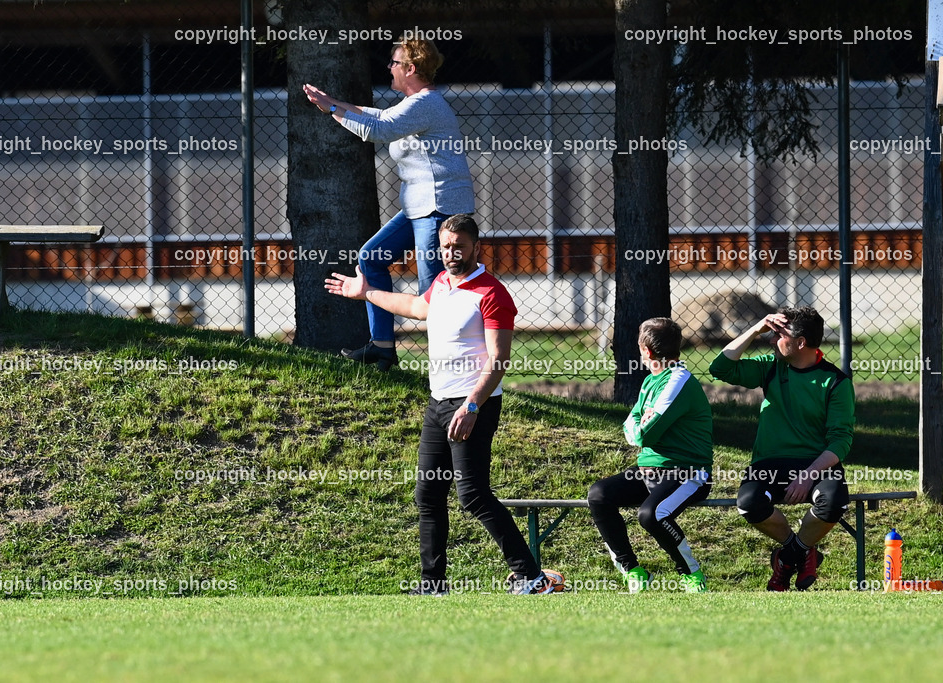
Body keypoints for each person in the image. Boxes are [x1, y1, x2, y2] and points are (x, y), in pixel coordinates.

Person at [324, 214, 562, 595]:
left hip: (472, 407)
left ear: (476, 247)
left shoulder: (491, 293)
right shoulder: (441, 283)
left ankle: (532, 577)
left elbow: (499, 360)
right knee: (428, 494)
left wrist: (471, 406)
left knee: (473, 496)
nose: (451, 253)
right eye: (445, 245)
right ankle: (433, 585)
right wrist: (365, 292)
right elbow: (417, 307)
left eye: (459, 246)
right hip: (438, 404)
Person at [304, 37, 475, 370]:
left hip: (439, 207)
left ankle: (454, 367)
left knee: (433, 293)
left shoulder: (426, 103)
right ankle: (382, 349)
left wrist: (333, 109)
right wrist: (332, 103)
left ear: (410, 69)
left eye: (394, 63)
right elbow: (377, 117)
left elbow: (378, 129)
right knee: (371, 258)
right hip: (418, 207)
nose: (389, 68)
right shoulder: (413, 104)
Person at [709, 306, 854, 591]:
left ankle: (786, 559)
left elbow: (841, 440)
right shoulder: (771, 366)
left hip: (817, 465)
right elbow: (720, 368)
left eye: (779, 334)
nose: (772, 339)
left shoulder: (835, 381)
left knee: (834, 501)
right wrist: (754, 329)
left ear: (800, 343)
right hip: (770, 463)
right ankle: (800, 550)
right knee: (749, 503)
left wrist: (808, 475)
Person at [587, 318, 713, 593]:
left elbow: (642, 435)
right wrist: (638, 425)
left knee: (652, 515)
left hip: (687, 473)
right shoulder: (650, 382)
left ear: (646, 350)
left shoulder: (677, 380)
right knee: (599, 494)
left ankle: (691, 574)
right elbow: (633, 422)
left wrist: (637, 427)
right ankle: (632, 571)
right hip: (648, 471)